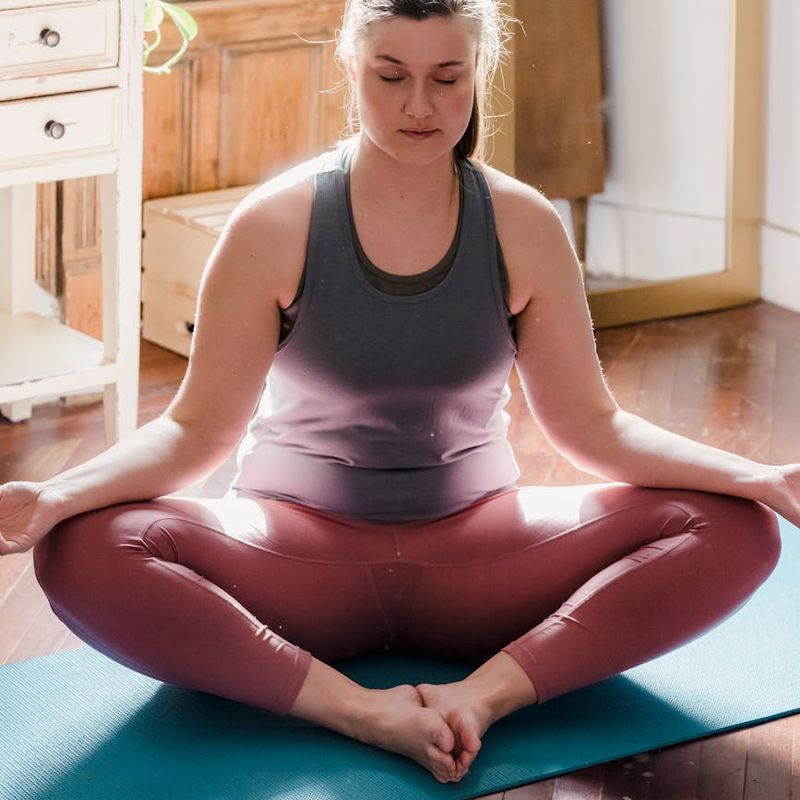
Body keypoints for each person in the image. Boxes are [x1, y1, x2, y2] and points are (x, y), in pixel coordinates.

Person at [1, 0, 798, 786]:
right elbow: (194, 431)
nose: (420, 106)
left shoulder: (521, 224)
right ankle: (357, 709)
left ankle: (483, 697)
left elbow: (592, 426)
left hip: (479, 558)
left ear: (479, 72)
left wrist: (754, 477)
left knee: (741, 531)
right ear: (351, 68)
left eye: (448, 78)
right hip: (299, 556)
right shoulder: (274, 224)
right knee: (78, 548)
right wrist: (58, 495)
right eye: (391, 76)